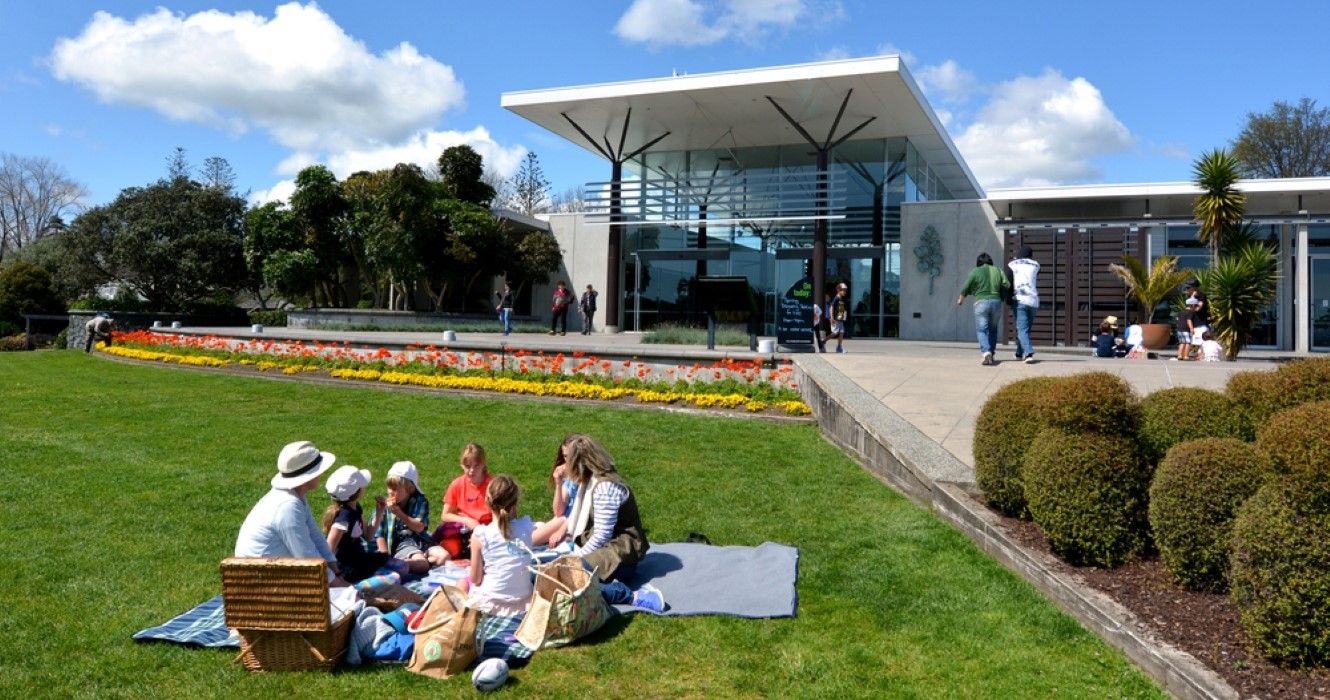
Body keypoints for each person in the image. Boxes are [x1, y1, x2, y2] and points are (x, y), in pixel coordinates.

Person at [559, 433, 664, 612]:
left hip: (620, 553)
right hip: (606, 546)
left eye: (567, 458)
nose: (563, 464)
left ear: (579, 461)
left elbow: (602, 535)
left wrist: (576, 559)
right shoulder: (591, 480)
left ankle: (633, 596)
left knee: (570, 580)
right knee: (559, 577)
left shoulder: (605, 487)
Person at [235, 440, 347, 586]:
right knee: (351, 600)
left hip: (274, 570)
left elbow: (315, 536)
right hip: (260, 579)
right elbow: (307, 557)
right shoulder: (287, 507)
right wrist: (339, 585)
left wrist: (336, 571)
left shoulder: (296, 497)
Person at [465, 476, 563, 616]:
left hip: (491, 602)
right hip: (524, 601)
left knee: (463, 582)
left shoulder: (481, 534)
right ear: (515, 502)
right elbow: (558, 520)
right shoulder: (526, 527)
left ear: (487, 501)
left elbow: (476, 579)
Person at [322, 465, 393, 583]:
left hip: (358, 559)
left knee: (394, 562)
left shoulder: (355, 508)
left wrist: (379, 511)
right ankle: (356, 588)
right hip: (348, 569)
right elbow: (328, 549)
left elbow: (368, 536)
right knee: (394, 578)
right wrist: (338, 576)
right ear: (358, 491)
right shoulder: (344, 518)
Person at [375, 461, 448, 574]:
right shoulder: (384, 507)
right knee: (421, 565)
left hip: (422, 540)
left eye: (395, 489)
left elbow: (419, 527)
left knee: (444, 557)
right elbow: (378, 534)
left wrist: (399, 513)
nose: (390, 492)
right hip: (402, 544)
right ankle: (396, 564)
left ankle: (408, 563)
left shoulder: (420, 500)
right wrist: (385, 556)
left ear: (410, 488)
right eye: (389, 487)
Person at [436, 443, 494, 560]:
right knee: (448, 547)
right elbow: (445, 515)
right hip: (463, 529)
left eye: (476, 466)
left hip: (487, 529)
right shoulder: (457, 484)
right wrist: (467, 520)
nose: (471, 471)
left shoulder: (493, 485)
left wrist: (481, 531)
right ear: (462, 465)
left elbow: (502, 516)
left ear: (483, 464)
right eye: (467, 466)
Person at [956, 252, 1010, 365]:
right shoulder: (998, 270)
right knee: (993, 330)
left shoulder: (975, 271)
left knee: (982, 330)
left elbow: (966, 286)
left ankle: (986, 353)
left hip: (981, 302)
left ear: (978, 262)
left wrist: (961, 298)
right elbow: (1007, 284)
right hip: (996, 302)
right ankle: (991, 353)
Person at [1007, 246, 1040, 364]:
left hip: (1020, 300)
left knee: (1022, 329)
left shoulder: (1012, 264)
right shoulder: (1036, 265)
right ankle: (1019, 353)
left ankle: (1028, 353)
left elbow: (1009, 282)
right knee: (1025, 329)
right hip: (1033, 301)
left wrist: (1008, 298)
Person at [1174, 297, 1198, 361]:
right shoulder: (1190, 312)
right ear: (1192, 305)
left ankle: (1179, 355)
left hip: (1179, 329)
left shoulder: (1181, 312)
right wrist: (1191, 329)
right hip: (1186, 330)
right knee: (1188, 343)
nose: (1195, 308)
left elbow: (1178, 319)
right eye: (1195, 306)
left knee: (1182, 343)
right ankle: (1186, 356)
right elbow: (1189, 320)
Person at [828, 283, 849, 353]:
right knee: (835, 333)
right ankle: (823, 341)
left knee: (842, 332)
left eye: (845, 290)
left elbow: (843, 308)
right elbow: (831, 307)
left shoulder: (842, 299)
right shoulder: (836, 298)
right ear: (838, 290)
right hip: (836, 319)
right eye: (843, 290)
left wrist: (844, 315)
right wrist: (832, 317)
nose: (845, 292)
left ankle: (839, 347)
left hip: (841, 319)